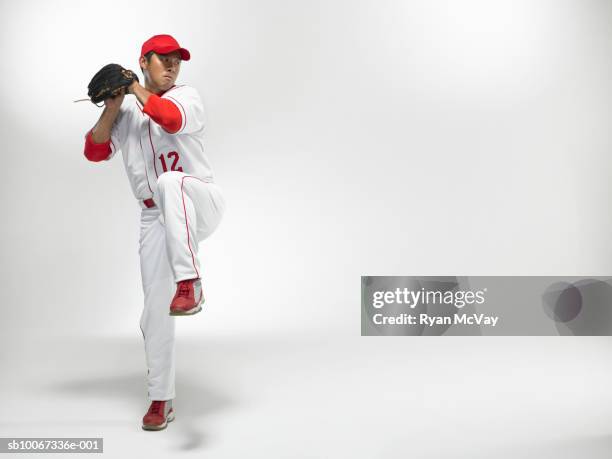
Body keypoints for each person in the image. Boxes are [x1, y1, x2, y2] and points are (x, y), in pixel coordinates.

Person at [82, 34, 225, 431]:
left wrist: (134, 88)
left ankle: (190, 282)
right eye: (164, 59)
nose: (173, 65)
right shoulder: (127, 112)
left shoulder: (186, 96)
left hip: (199, 202)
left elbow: (170, 119)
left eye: (177, 59)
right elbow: (93, 151)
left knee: (170, 182)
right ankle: (161, 399)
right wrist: (113, 107)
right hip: (154, 219)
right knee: (153, 312)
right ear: (144, 61)